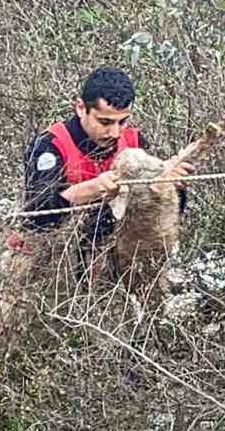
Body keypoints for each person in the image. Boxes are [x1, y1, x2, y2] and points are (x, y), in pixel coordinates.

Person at [10, 65, 195, 284]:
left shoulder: (134, 142)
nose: (115, 133)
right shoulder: (50, 146)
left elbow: (159, 217)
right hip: (52, 259)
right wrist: (93, 189)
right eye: (105, 122)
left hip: (111, 257)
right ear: (81, 108)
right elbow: (38, 218)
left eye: (122, 121)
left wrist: (172, 190)